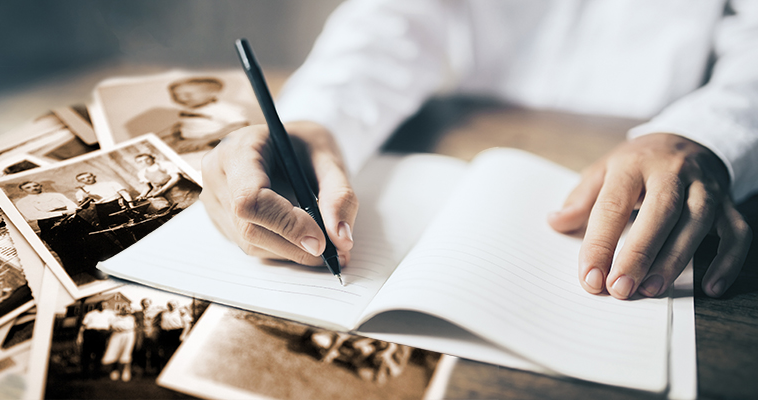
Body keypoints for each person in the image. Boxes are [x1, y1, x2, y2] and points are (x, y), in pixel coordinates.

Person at [201, 1, 757, 300]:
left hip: (674, 154)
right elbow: (393, 19)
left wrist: (709, 133)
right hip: (470, 135)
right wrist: (316, 117)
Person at [162, 77, 250, 154]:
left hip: (214, 143)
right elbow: (185, 124)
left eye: (188, 94)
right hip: (191, 142)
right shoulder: (191, 108)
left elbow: (240, 125)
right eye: (176, 95)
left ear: (211, 94)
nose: (181, 98)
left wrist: (205, 140)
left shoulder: (221, 108)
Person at [135, 153, 199, 211]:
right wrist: (142, 195)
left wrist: (162, 191)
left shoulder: (165, 164)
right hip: (172, 196)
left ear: (152, 158)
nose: (145, 162)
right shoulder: (142, 173)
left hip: (186, 190)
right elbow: (147, 187)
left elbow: (177, 177)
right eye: (140, 161)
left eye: (147, 159)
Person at [77, 301, 114, 379]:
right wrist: (79, 336)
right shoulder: (91, 314)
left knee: (99, 354)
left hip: (102, 334)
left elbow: (112, 325)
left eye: (105, 305)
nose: (104, 306)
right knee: (86, 353)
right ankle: (85, 373)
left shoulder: (110, 314)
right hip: (90, 333)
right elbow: (83, 326)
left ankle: (96, 373)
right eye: (102, 305)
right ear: (98, 305)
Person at [102, 304, 136, 382]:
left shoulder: (132, 318)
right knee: (115, 352)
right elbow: (113, 326)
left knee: (126, 353)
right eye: (125, 310)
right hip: (117, 336)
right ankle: (115, 371)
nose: (127, 311)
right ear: (122, 310)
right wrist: (119, 327)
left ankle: (126, 371)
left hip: (128, 336)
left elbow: (131, 326)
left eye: (128, 310)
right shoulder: (115, 318)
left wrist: (122, 327)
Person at [132, 298, 160, 375]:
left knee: (153, 350)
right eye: (144, 303)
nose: (146, 304)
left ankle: (155, 369)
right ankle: (142, 368)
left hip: (152, 332)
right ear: (142, 304)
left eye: (147, 303)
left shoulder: (155, 312)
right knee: (141, 350)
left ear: (150, 304)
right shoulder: (138, 313)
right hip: (141, 333)